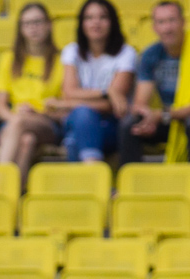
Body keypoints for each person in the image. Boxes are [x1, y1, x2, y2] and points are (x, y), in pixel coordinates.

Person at [119, 1, 190, 194]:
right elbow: (140, 101)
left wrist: (162, 115)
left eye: (172, 21)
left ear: (183, 22)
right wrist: (147, 117)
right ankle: (130, 190)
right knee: (130, 124)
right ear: (154, 27)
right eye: (161, 22)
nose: (167, 28)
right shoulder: (150, 55)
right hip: (173, 121)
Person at [51, 0, 136, 162]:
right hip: (77, 120)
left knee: (74, 138)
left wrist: (66, 104)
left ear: (113, 22)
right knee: (82, 117)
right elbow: (69, 92)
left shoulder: (126, 53)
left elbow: (113, 105)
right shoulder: (72, 51)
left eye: (103, 17)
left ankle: (91, 173)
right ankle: (94, 169)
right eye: (89, 18)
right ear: (82, 24)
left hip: (111, 123)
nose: (96, 23)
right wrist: (106, 91)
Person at [0, 3, 65, 193]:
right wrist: (16, 118)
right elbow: (0, 107)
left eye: (38, 22)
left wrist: (37, 112)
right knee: (27, 141)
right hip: (14, 122)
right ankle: (15, 195)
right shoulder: (9, 59)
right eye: (27, 24)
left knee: (20, 125)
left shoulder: (62, 61)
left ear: (49, 25)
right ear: (21, 29)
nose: (33, 28)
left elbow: (66, 108)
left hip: (47, 123)